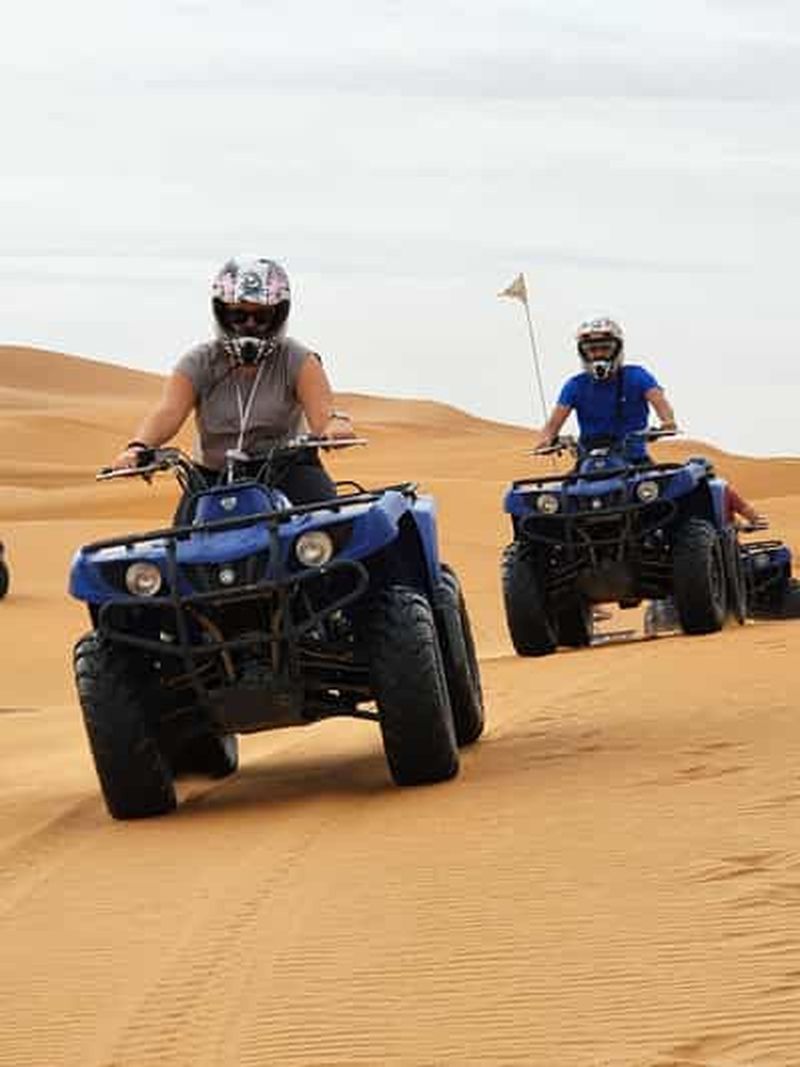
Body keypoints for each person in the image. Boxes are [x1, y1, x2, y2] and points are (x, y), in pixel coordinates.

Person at [112, 256, 356, 506]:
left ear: (278, 315)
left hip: (288, 471)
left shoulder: (298, 359)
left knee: (329, 519)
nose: (250, 324)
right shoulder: (199, 362)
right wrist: (138, 447)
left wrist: (335, 426)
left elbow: (323, 414)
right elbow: (169, 411)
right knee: (186, 531)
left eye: (261, 316)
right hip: (212, 478)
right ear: (222, 314)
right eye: (238, 315)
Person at [536, 317, 676, 461]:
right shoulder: (575, 385)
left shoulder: (637, 376)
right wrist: (546, 440)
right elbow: (553, 423)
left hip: (635, 462)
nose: (598, 354)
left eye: (605, 348)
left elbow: (658, 400)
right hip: (590, 462)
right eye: (592, 350)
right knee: (564, 477)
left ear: (618, 350)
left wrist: (668, 422)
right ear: (583, 353)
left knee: (670, 475)